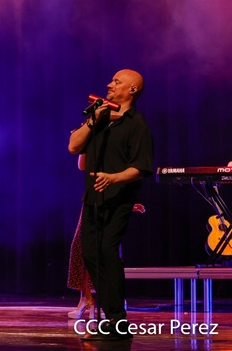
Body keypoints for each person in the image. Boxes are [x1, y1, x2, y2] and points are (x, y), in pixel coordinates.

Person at [68, 69, 153, 340]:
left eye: (117, 81)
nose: (109, 84)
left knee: (107, 252)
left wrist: (113, 178)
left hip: (118, 200)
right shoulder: (100, 118)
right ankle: (110, 317)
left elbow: (141, 167)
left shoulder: (137, 124)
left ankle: (118, 321)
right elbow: (73, 147)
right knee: (90, 254)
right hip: (92, 199)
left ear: (132, 90)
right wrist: (92, 121)